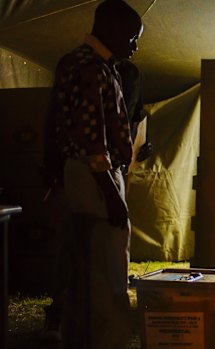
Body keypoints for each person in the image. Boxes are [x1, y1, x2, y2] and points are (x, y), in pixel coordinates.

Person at [43, 0, 143, 347]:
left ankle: (79, 337)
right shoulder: (93, 69)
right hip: (95, 174)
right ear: (111, 28)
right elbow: (92, 138)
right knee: (108, 269)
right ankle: (109, 340)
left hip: (83, 172)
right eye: (132, 37)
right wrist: (113, 194)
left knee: (83, 265)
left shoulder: (78, 62)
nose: (135, 45)